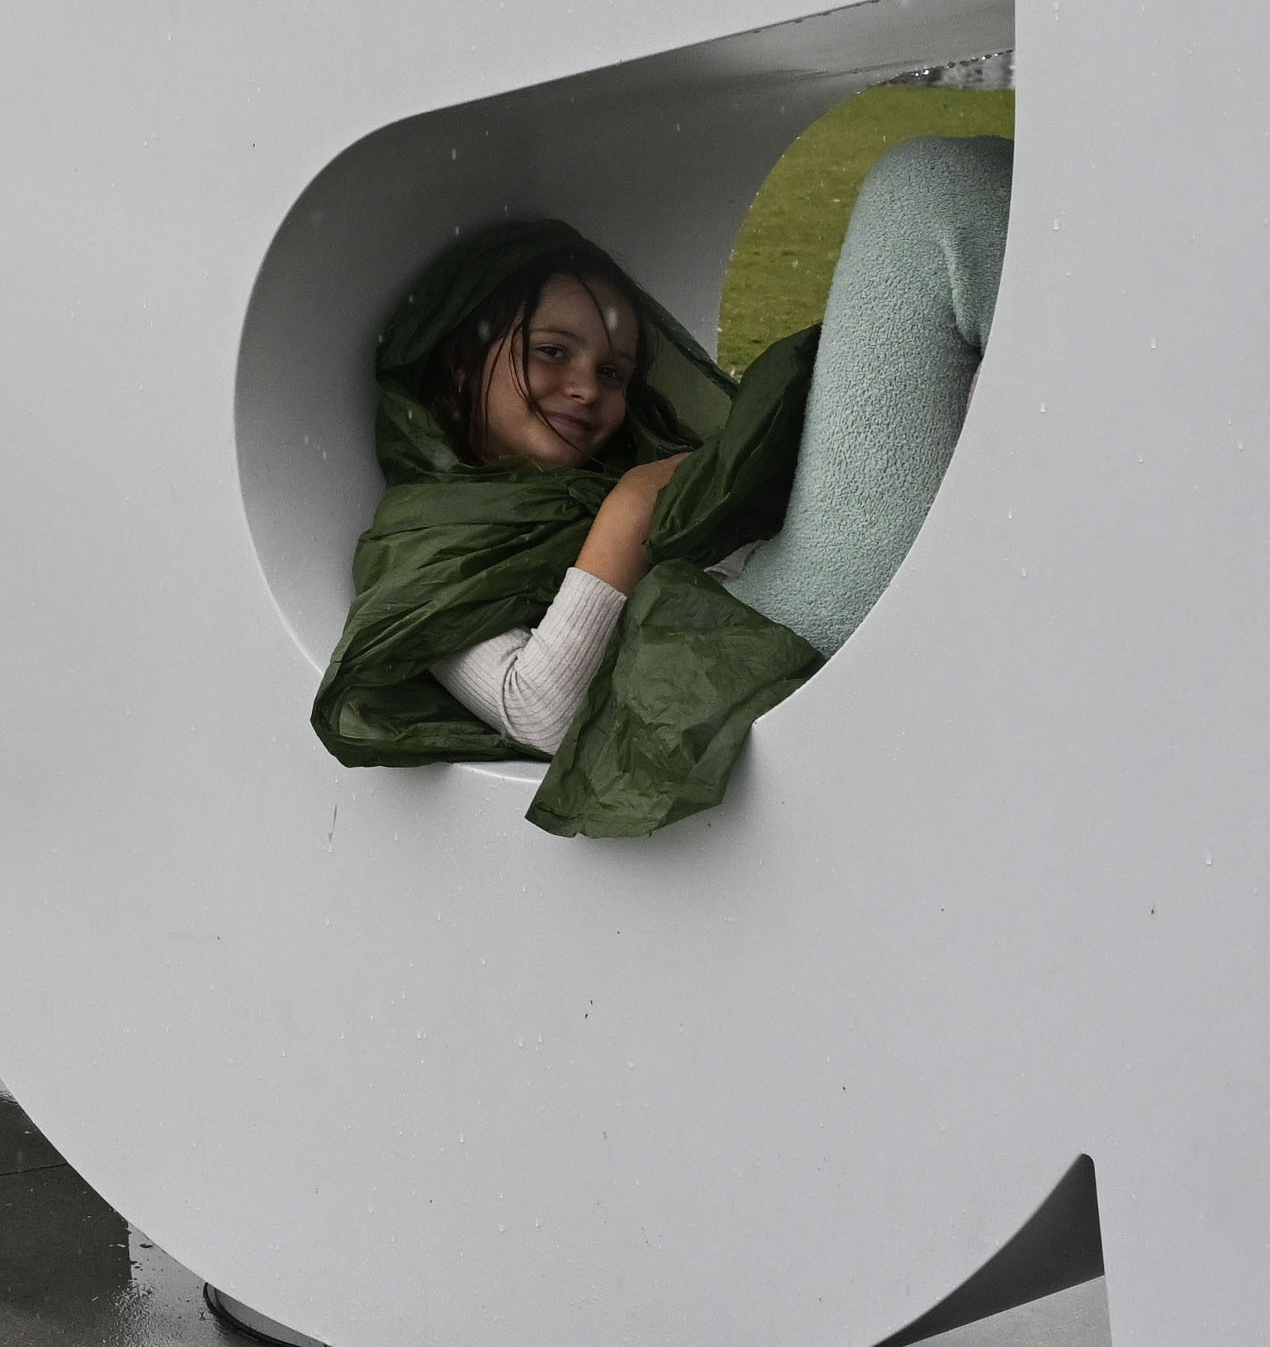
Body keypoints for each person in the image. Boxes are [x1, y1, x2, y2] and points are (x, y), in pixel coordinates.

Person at [308, 134, 1011, 835]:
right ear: (460, 364)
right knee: (928, 190)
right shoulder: (427, 541)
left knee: (933, 206)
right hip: (763, 643)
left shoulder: (617, 469)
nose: (586, 388)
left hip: (791, 610)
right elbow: (540, 714)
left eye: (614, 371)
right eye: (552, 353)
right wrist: (627, 516)